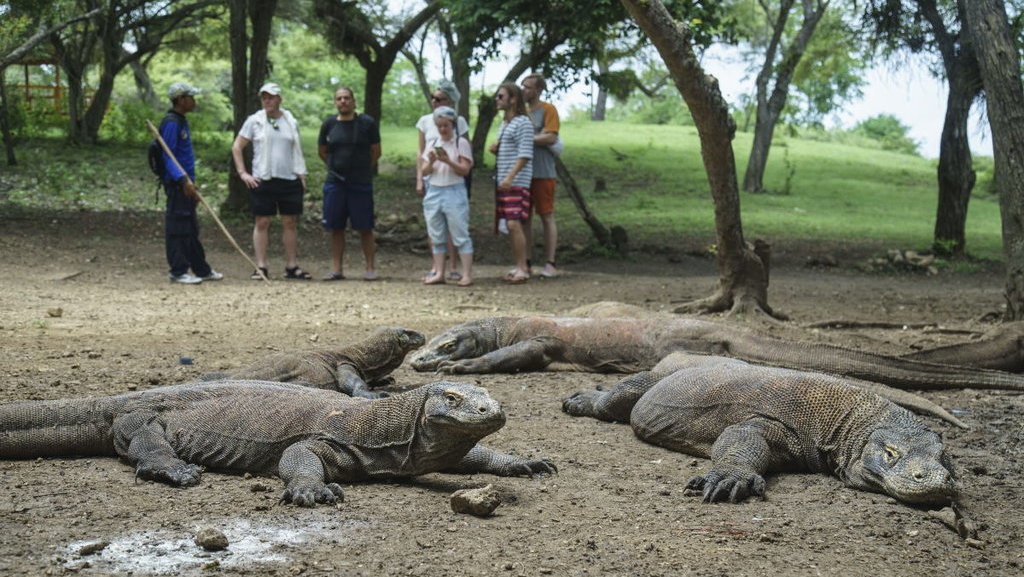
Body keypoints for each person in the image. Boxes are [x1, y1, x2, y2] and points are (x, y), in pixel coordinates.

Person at [231, 82, 311, 281]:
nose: (268, 100)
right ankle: (261, 266)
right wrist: (243, 173)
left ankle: (291, 266)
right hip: (263, 179)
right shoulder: (254, 121)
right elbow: (237, 147)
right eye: (264, 97)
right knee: (262, 221)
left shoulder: (290, 119)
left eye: (271, 97)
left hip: (289, 178)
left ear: (279, 99)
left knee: (290, 222)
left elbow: (296, 148)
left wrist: (301, 172)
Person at [159, 81, 222, 285]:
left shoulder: (181, 121)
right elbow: (167, 156)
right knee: (178, 228)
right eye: (190, 97)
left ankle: (201, 269)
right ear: (180, 100)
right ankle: (178, 271)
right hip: (178, 184)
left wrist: (191, 182)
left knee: (191, 229)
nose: (194, 101)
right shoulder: (171, 122)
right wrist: (182, 179)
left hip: (187, 183)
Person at [318, 86, 381, 281]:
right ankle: (337, 269)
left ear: (354, 101)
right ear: (335, 102)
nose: (343, 102)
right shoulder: (329, 124)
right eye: (339, 99)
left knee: (365, 227)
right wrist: (334, 167)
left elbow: (376, 151)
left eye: (347, 98)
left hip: (360, 183)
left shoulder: (366, 123)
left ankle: (370, 268)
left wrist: (362, 169)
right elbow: (322, 151)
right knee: (336, 226)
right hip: (335, 183)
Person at [415, 79, 470, 281]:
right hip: (434, 182)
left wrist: (450, 162)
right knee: (436, 227)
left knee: (456, 225)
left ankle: (456, 267)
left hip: (454, 183)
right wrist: (420, 178)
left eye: (440, 98)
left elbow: (464, 154)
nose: (435, 101)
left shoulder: (460, 125)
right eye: (433, 98)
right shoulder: (425, 122)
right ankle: (437, 269)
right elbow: (420, 153)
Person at [488, 82, 533, 284]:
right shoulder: (506, 124)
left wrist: (510, 177)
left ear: (513, 99)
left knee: (514, 223)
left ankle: (523, 267)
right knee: (509, 223)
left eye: (501, 96)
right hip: (503, 181)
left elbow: (525, 154)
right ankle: (518, 265)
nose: (497, 100)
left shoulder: (523, 122)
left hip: (516, 181)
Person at [521, 73, 561, 279]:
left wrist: (528, 138)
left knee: (546, 215)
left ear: (538, 90)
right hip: (523, 173)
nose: (524, 90)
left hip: (543, 171)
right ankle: (525, 262)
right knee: (524, 218)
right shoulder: (520, 112)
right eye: (523, 86)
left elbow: (552, 136)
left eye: (528, 87)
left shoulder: (548, 110)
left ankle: (550, 262)